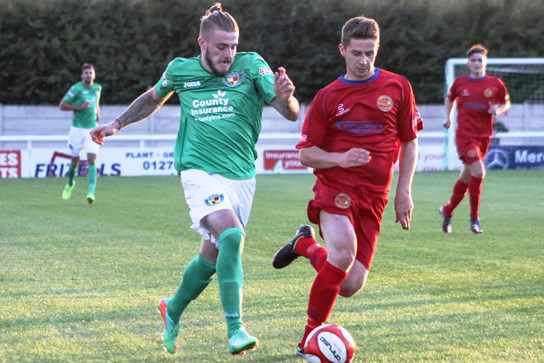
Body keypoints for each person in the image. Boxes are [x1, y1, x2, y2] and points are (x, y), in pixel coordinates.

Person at [90, 3, 299, 357]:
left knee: (212, 258)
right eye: (221, 46)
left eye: (233, 45)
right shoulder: (180, 70)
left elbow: (289, 113)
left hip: (242, 177)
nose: (229, 54)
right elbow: (152, 98)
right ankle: (235, 330)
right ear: (201, 43)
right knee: (232, 236)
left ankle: (172, 309)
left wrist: (285, 98)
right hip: (198, 171)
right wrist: (116, 124)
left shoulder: (251, 66)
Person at [272, 15, 423, 357]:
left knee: (351, 284)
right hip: (335, 188)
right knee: (343, 252)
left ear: (377, 49)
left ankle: (305, 246)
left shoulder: (398, 87)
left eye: (370, 52)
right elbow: (307, 155)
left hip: (376, 197)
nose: (363, 60)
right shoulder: (329, 97)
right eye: (356, 52)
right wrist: (340, 160)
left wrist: (404, 191)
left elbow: (410, 141)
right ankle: (308, 341)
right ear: (343, 50)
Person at [440, 44, 510, 234]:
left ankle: (448, 210)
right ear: (468, 63)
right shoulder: (460, 83)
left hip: (484, 136)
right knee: (478, 173)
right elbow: (449, 98)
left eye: (480, 60)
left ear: (485, 62)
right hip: (465, 135)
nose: (477, 63)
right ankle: (474, 219)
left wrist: (499, 109)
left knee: (467, 175)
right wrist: (449, 117)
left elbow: (505, 102)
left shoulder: (495, 83)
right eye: (473, 60)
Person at [60, 63, 102, 203]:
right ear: (82, 75)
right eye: (86, 73)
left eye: (91, 73)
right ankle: (70, 183)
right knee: (75, 160)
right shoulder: (76, 88)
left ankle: (91, 192)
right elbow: (62, 105)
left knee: (92, 159)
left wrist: (97, 115)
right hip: (77, 129)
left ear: (94, 75)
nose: (88, 75)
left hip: (92, 129)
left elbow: (96, 104)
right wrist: (79, 107)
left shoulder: (97, 88)